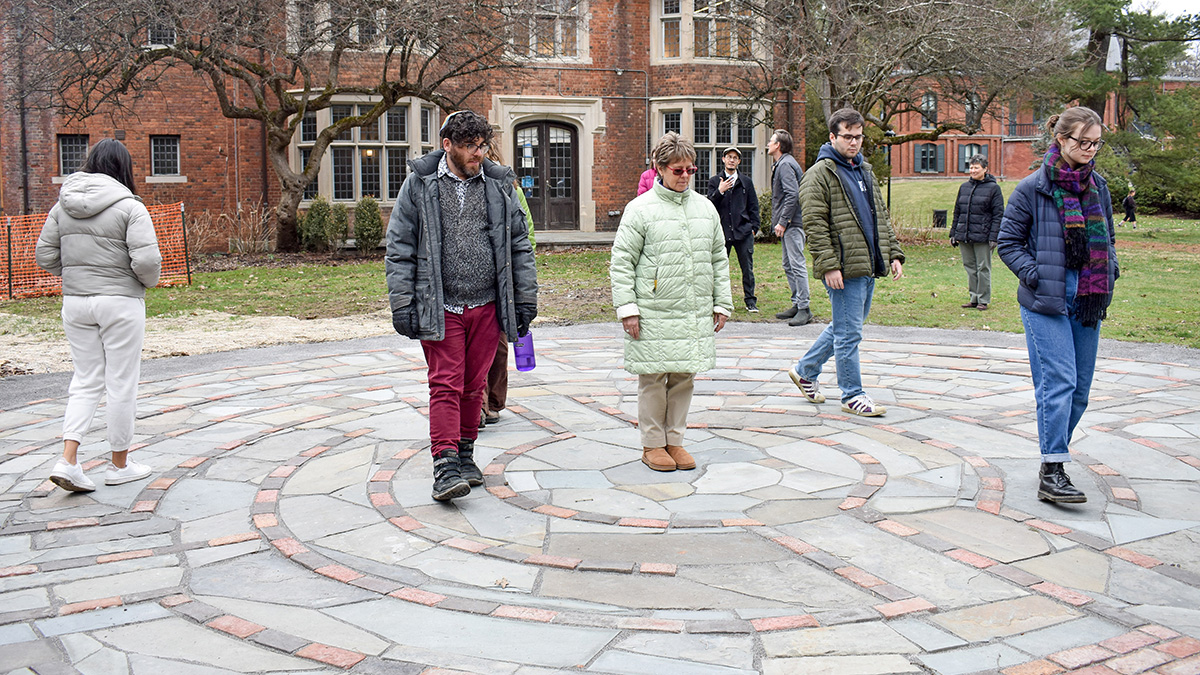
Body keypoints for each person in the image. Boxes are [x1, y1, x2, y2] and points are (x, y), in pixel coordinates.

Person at [385, 110, 538, 501]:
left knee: (474, 386)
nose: (478, 153)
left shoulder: (499, 185)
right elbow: (399, 247)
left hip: (488, 305)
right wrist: (402, 302)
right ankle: (444, 464)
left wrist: (524, 299)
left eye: (482, 145)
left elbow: (520, 245)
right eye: (470, 146)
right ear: (447, 145)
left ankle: (466, 456)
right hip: (442, 305)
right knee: (445, 385)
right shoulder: (419, 184)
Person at [998, 106, 1118, 504]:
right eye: (1083, 142)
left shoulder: (1098, 187)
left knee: (1080, 390)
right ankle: (1053, 468)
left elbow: (1110, 240)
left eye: (1096, 143)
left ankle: (1055, 452)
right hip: (1045, 297)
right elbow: (1008, 243)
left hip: (1088, 297)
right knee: (1059, 381)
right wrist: (1034, 274)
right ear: (1061, 139)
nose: (1090, 149)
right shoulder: (1033, 187)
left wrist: (1109, 269)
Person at [35, 138, 162, 492]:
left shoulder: (62, 205)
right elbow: (148, 262)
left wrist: (78, 273)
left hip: (76, 303)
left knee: (86, 379)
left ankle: (69, 460)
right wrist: (144, 283)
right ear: (124, 168)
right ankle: (119, 466)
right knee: (121, 382)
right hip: (120, 302)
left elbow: (44, 256)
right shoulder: (130, 207)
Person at [611, 132, 732, 472]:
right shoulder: (640, 210)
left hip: (692, 309)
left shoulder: (705, 209)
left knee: (683, 377)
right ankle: (652, 444)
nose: (684, 176)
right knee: (652, 377)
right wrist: (628, 309)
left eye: (690, 170)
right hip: (652, 311)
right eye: (677, 170)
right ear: (659, 169)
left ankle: (675, 440)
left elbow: (718, 259)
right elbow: (622, 262)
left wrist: (721, 302)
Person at [786, 108, 904, 417]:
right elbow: (814, 223)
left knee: (845, 327)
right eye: (847, 137)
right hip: (843, 267)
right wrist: (828, 265)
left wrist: (893, 252)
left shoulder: (864, 171)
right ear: (832, 137)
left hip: (866, 264)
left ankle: (805, 371)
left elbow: (881, 217)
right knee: (849, 332)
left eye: (858, 137)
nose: (854, 143)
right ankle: (852, 394)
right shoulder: (819, 174)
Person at [481, 145, 537, 428]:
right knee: (474, 347)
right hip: (476, 281)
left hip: (503, 281)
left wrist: (521, 279)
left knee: (498, 345)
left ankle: (493, 401)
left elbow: (526, 235)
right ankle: (477, 404)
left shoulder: (510, 190)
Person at [707, 147, 761, 313]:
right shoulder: (715, 181)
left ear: (739, 161)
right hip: (722, 232)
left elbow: (753, 206)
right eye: (729, 157)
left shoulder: (746, 182)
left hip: (743, 232)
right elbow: (709, 205)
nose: (731, 160)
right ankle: (717, 300)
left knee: (747, 269)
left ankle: (750, 301)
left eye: (735, 158)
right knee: (719, 268)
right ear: (723, 159)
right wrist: (720, 191)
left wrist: (754, 227)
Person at [767, 130, 812, 326]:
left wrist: (783, 221)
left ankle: (804, 308)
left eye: (771, 141)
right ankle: (797, 303)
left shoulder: (785, 165)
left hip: (793, 224)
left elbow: (792, 194)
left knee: (797, 264)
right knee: (788, 265)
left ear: (778, 145)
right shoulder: (783, 163)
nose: (768, 144)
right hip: (791, 224)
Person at [950, 155, 1005, 311]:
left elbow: (998, 214)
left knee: (983, 267)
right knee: (970, 267)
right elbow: (957, 211)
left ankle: (983, 299)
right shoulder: (964, 187)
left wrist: (994, 236)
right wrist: (954, 233)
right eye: (971, 167)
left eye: (976, 168)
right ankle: (973, 298)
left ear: (985, 169)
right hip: (965, 234)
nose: (973, 170)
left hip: (983, 236)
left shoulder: (994, 188)